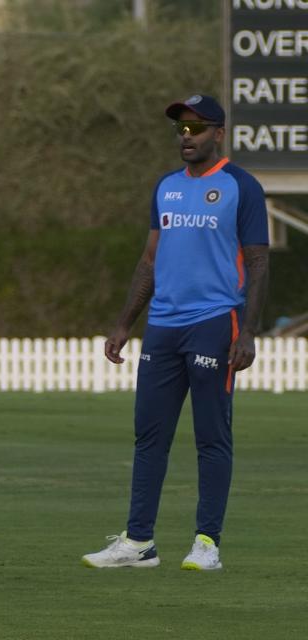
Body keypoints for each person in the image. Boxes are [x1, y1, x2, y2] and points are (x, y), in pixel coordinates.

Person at [82, 95, 269, 571]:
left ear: (219, 133)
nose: (187, 137)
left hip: (214, 322)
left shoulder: (240, 187)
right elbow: (150, 260)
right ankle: (139, 542)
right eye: (181, 129)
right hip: (163, 326)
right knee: (149, 436)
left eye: (197, 128)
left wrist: (248, 330)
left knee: (211, 437)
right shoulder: (165, 188)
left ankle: (207, 543)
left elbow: (259, 260)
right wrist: (125, 322)